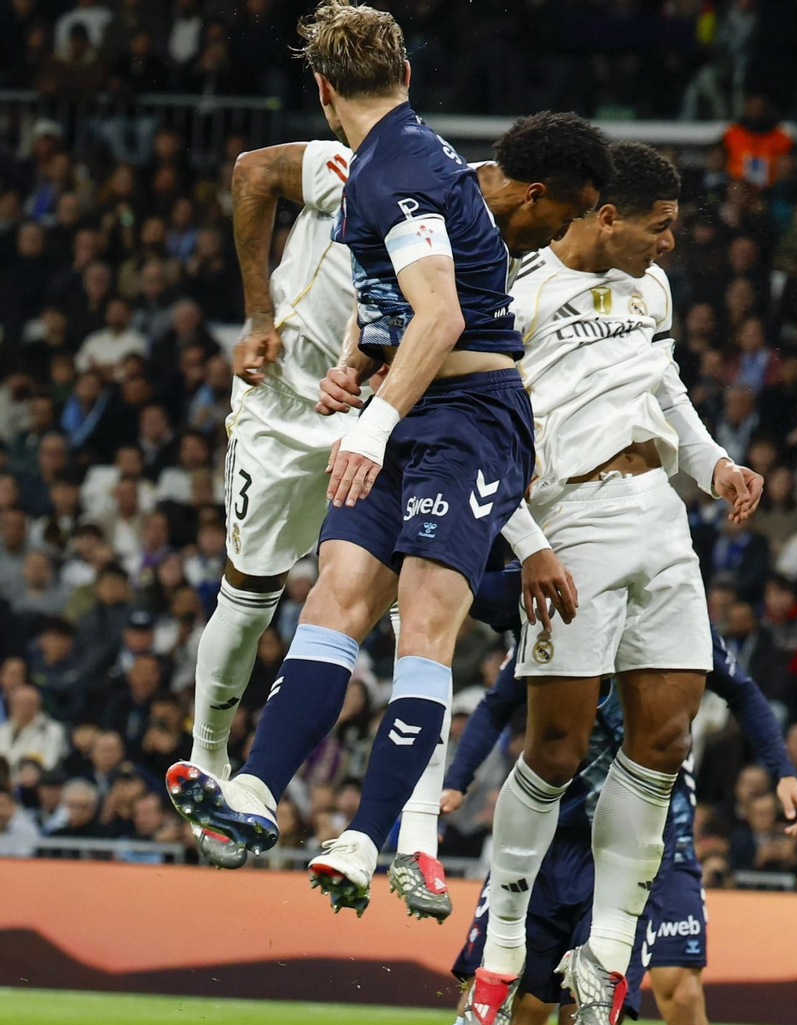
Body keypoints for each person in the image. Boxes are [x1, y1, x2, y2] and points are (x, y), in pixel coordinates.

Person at [165, 3, 609, 914]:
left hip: (466, 417)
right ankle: (252, 790)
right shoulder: (399, 160)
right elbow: (403, 309)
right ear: (404, 72)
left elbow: (442, 316)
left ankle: (378, 837)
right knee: (333, 600)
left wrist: (368, 425)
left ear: (323, 90)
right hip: (398, 405)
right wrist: (357, 367)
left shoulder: (395, 169)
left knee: (424, 622)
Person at [460, 144, 764, 1025]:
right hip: (572, 520)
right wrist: (533, 544)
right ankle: (504, 950)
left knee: (665, 741)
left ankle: (603, 960)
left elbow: (664, 385)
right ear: (606, 218)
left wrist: (712, 464)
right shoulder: (519, 295)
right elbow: (492, 435)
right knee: (553, 748)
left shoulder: (651, 293)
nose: (668, 246)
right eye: (659, 227)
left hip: (660, 518)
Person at [440, 611, 797, 1025]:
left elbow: (743, 692)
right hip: (546, 839)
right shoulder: (559, 615)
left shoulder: (676, 616)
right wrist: (456, 780)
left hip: (641, 845)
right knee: (497, 1002)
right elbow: (498, 700)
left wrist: (784, 772)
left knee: (633, 1020)